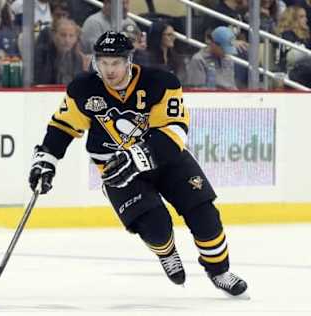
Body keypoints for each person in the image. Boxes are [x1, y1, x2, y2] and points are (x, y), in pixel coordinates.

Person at [28, 31, 248, 297]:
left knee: (205, 216)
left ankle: (219, 271)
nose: (109, 70)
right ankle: (167, 253)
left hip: (167, 161)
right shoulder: (83, 89)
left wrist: (136, 156)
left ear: (129, 60)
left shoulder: (160, 82)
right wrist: (46, 160)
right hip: (118, 172)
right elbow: (63, 127)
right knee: (156, 227)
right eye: (103, 63)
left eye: (116, 63)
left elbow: (175, 130)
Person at [34, 17, 88, 85]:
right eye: (63, 35)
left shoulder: (77, 57)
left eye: (71, 36)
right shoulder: (42, 54)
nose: (67, 40)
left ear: (76, 38)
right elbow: (41, 82)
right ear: (54, 35)